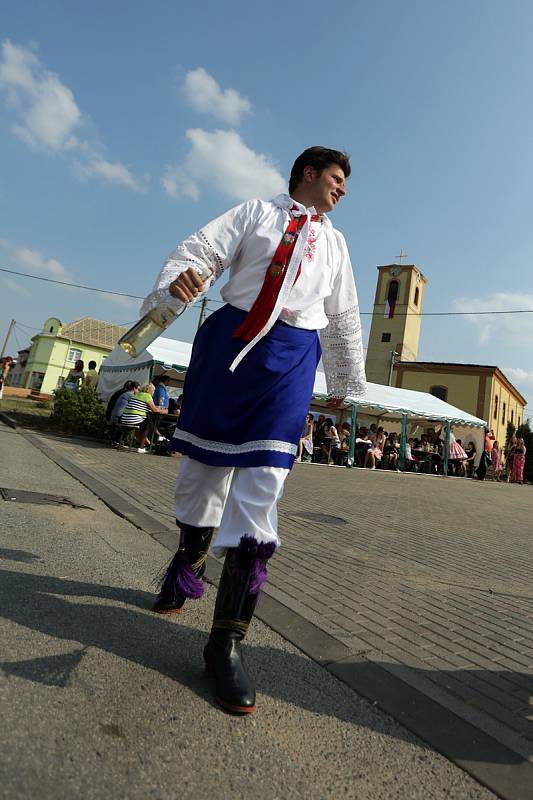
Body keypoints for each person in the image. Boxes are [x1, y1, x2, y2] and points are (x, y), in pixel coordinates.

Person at [143, 146, 366, 714]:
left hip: (291, 358)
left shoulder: (336, 243)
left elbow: (342, 313)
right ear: (309, 174)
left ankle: (226, 642)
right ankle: (188, 562)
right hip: (229, 343)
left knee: (264, 482)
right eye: (337, 178)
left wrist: (346, 377)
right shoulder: (254, 213)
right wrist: (183, 279)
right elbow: (202, 250)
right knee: (202, 476)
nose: (343, 189)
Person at [120, 382, 164, 451]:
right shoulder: (147, 396)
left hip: (125, 419)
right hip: (134, 419)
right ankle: (141, 447)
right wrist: (163, 410)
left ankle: (149, 441)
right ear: (150, 390)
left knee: (146, 422)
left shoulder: (137, 394)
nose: (154, 392)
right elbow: (154, 410)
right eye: (153, 391)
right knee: (149, 423)